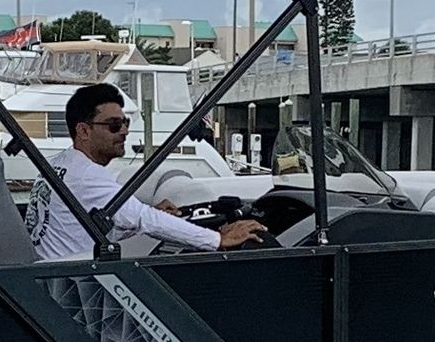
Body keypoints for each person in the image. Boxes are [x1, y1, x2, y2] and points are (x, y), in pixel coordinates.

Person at [32, 82, 265, 257]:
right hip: (73, 283)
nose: (123, 131)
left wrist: (149, 216)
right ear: (83, 131)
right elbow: (145, 219)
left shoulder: (59, 164)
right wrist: (217, 239)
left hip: (56, 273)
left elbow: (80, 231)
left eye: (125, 123)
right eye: (114, 125)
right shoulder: (86, 175)